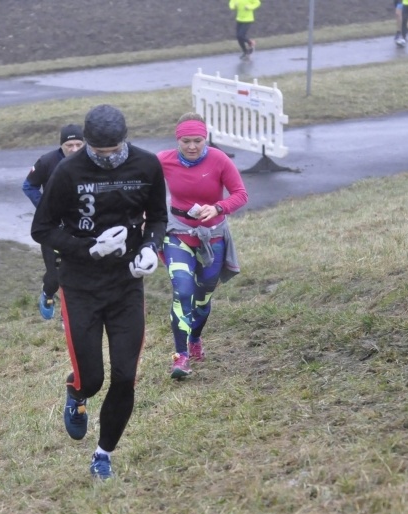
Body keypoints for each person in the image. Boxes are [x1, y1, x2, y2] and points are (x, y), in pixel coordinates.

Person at [31, 104, 167, 480]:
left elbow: (158, 217)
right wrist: (88, 248)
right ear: (88, 144)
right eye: (99, 153)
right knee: (92, 380)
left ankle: (103, 454)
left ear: (125, 140)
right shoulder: (68, 172)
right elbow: (41, 229)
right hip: (81, 286)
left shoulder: (146, 165)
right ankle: (76, 394)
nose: (107, 159)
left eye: (114, 152)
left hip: (125, 285)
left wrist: (150, 248)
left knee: (124, 376)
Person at [156, 113, 248, 379]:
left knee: (202, 298)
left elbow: (241, 194)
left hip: (212, 236)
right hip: (177, 233)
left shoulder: (219, 159)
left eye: (197, 140)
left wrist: (218, 207)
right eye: (186, 141)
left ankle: (195, 337)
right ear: (178, 140)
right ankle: (180, 357)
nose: (192, 146)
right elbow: (142, 186)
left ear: (205, 138)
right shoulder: (163, 160)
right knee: (183, 291)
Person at [22, 124, 85, 322]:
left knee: (78, 272)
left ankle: (68, 316)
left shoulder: (91, 160)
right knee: (55, 275)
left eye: (78, 144)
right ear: (61, 145)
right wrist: (45, 208)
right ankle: (48, 293)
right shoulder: (47, 161)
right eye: (69, 145)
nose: (74, 149)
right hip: (52, 228)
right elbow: (28, 185)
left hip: (80, 226)